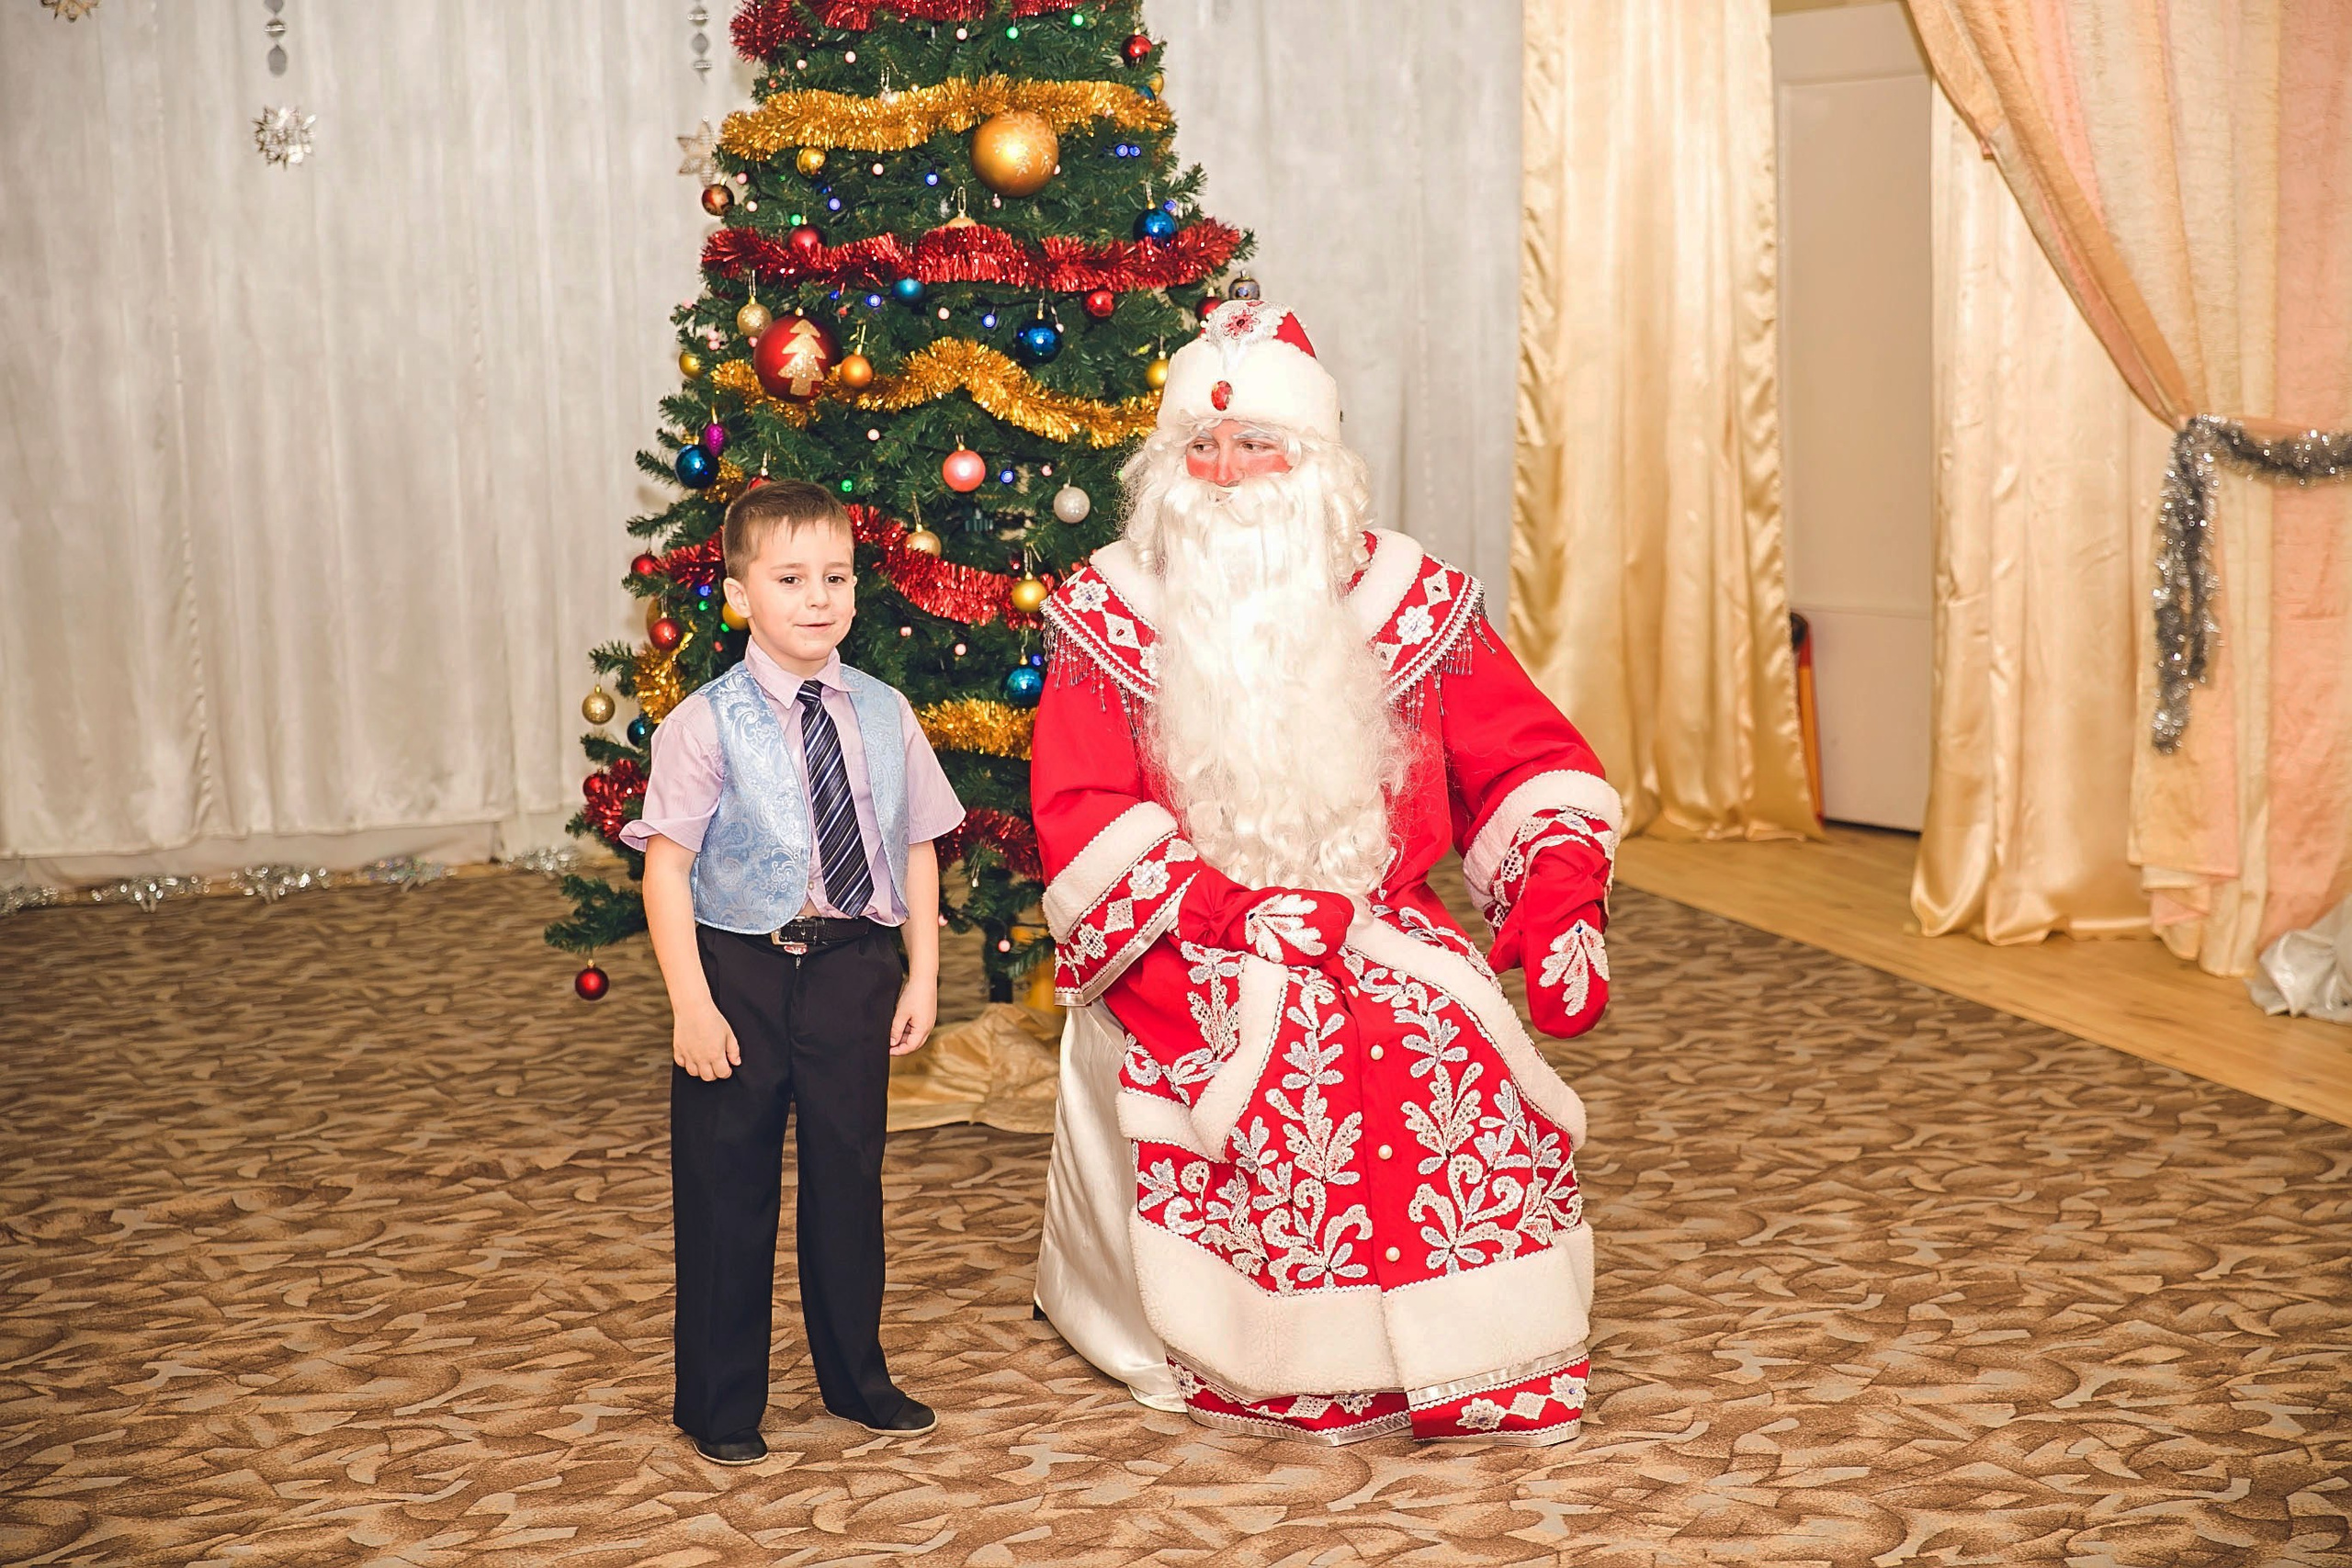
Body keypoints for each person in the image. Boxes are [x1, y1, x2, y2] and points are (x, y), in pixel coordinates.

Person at [1031, 300, 1620, 1445]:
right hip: (1186, 933)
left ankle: (1470, 1348)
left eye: (1256, 443)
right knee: (1286, 1053)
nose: (1224, 472)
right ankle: (1291, 1357)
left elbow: (1523, 760)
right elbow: (1081, 810)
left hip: (1373, 914)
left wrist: (1557, 898)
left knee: (1429, 1032)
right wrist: (1231, 911)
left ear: (1313, 460)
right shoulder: (1109, 612)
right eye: (1200, 445)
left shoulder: (1410, 599)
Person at [624, 479, 965, 1464]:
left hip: (853, 966)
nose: (818, 598)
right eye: (789, 579)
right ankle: (721, 1403)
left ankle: (857, 1377)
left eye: (836, 577)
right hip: (739, 970)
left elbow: (916, 843)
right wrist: (691, 1004)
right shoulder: (704, 723)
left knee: (848, 1178)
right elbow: (667, 869)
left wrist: (922, 974)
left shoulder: (886, 711)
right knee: (727, 1184)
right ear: (739, 596)